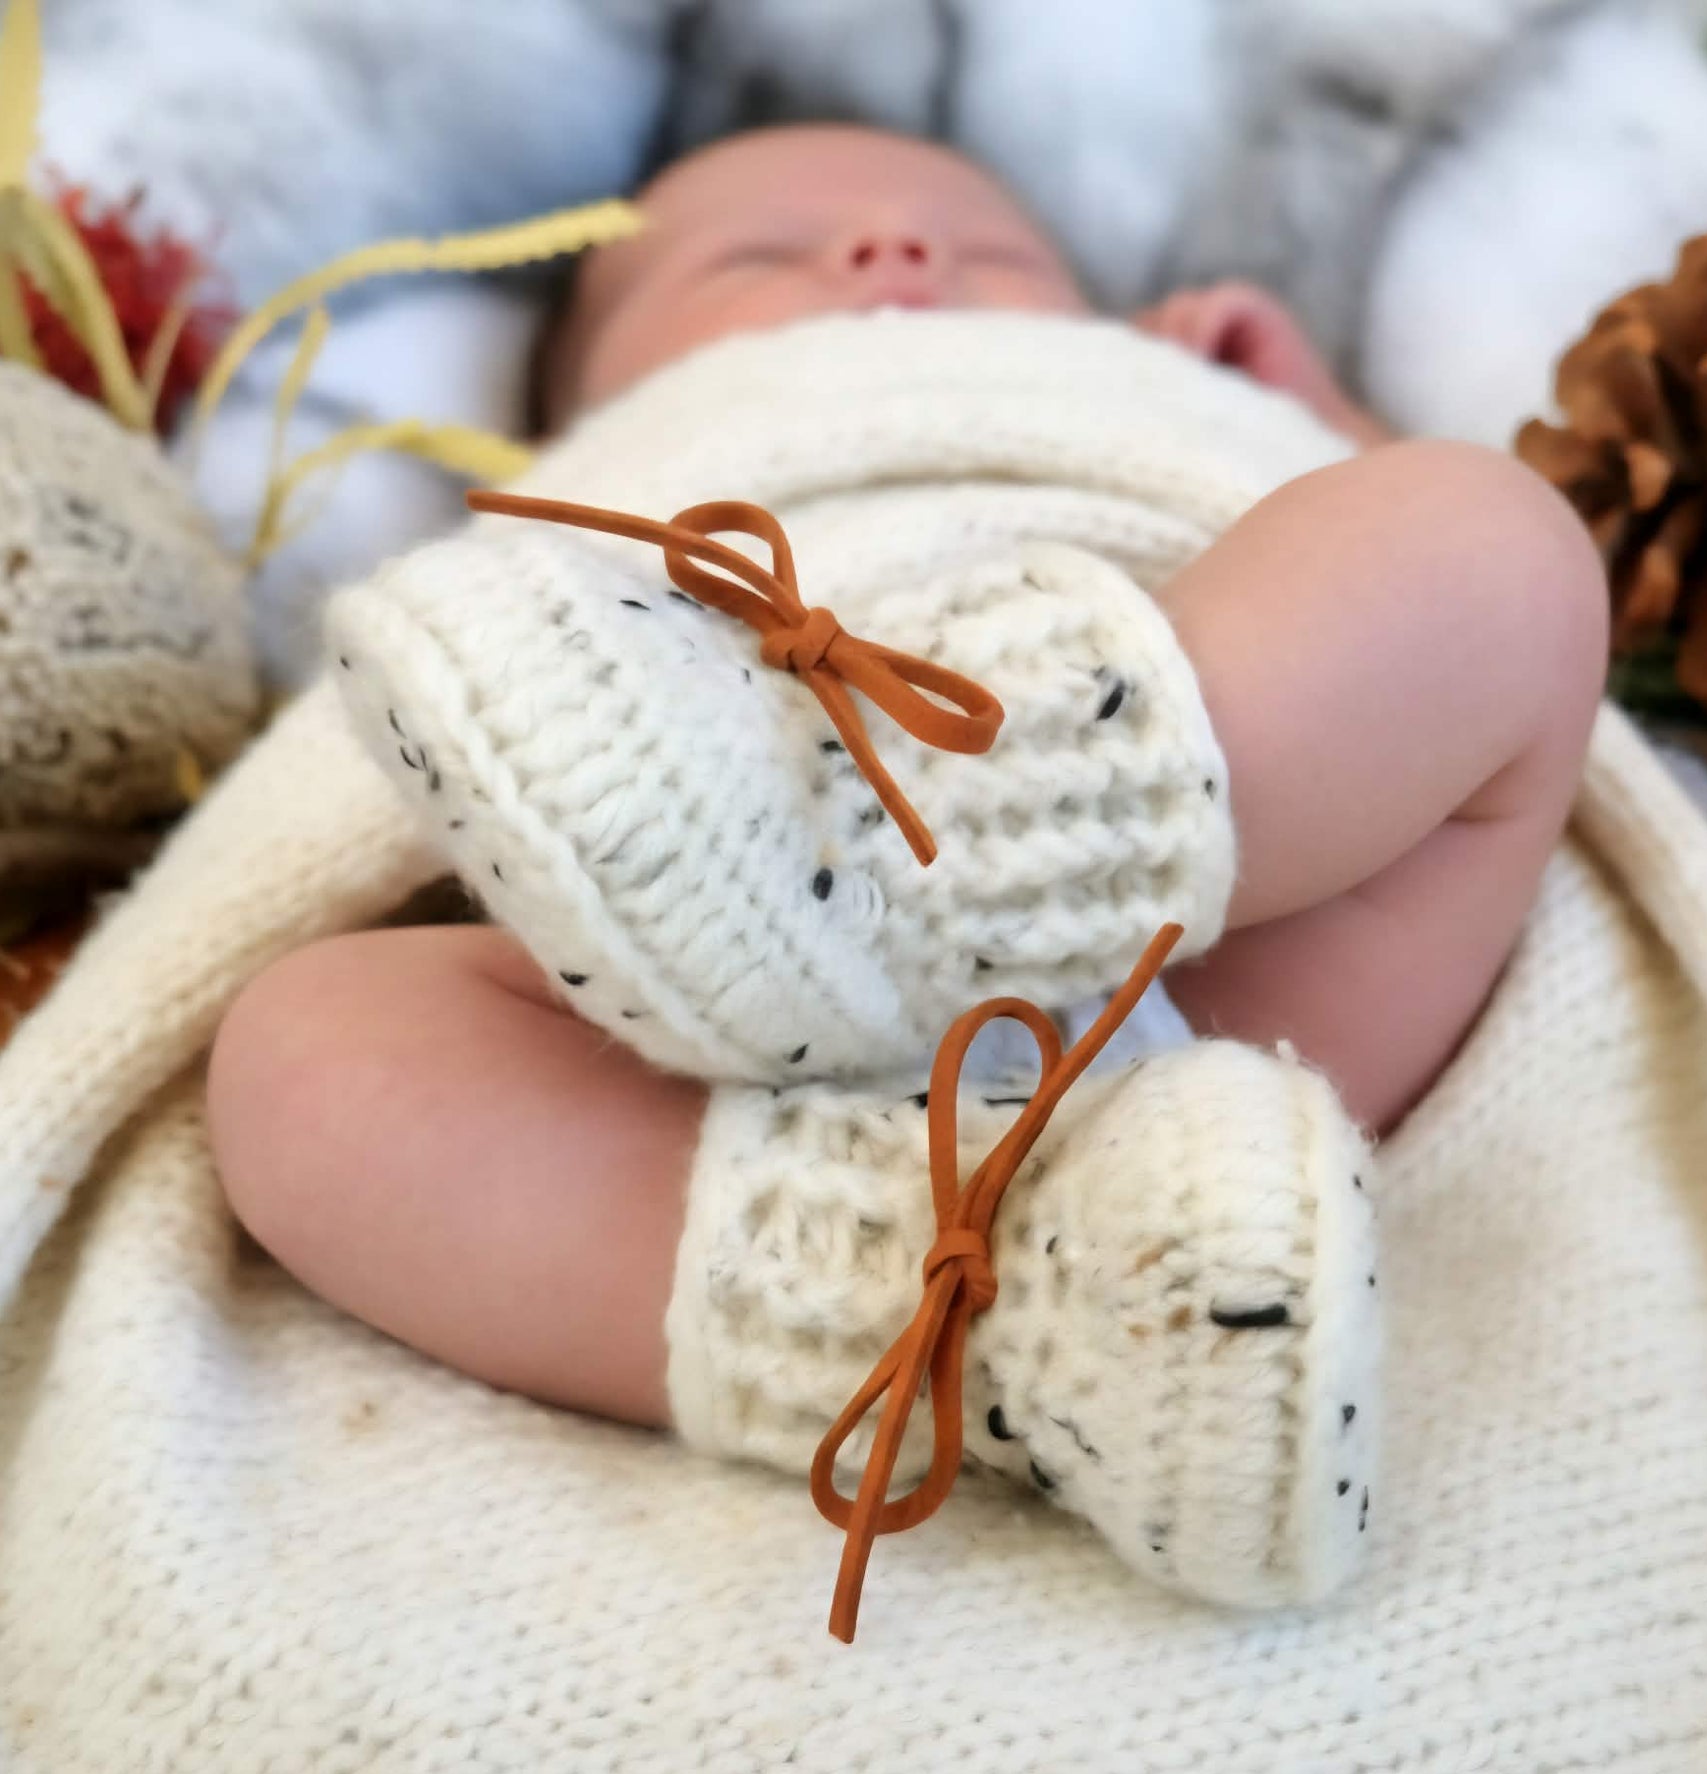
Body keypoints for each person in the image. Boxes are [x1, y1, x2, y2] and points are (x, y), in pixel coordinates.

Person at [206, 125, 1605, 1613]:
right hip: (715, 1079)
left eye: (988, 246)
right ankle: (1044, 1323)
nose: (890, 250)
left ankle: (869, 870)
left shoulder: (1148, 398)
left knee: (1488, 544)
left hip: (1235, 959)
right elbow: (455, 740)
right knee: (301, 1071)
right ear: (579, 415)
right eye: (757, 257)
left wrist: (1313, 414)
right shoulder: (595, 512)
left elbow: (1366, 599)